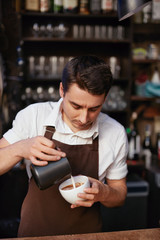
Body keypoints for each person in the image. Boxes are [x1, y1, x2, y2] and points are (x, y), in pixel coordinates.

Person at [0, 55, 128, 237]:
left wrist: (104, 192)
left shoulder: (115, 132)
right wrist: (20, 148)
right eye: (76, 106)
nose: (84, 119)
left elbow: (120, 195)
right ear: (62, 90)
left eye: (94, 109)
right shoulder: (34, 116)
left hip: (87, 235)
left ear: (105, 98)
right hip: (34, 233)